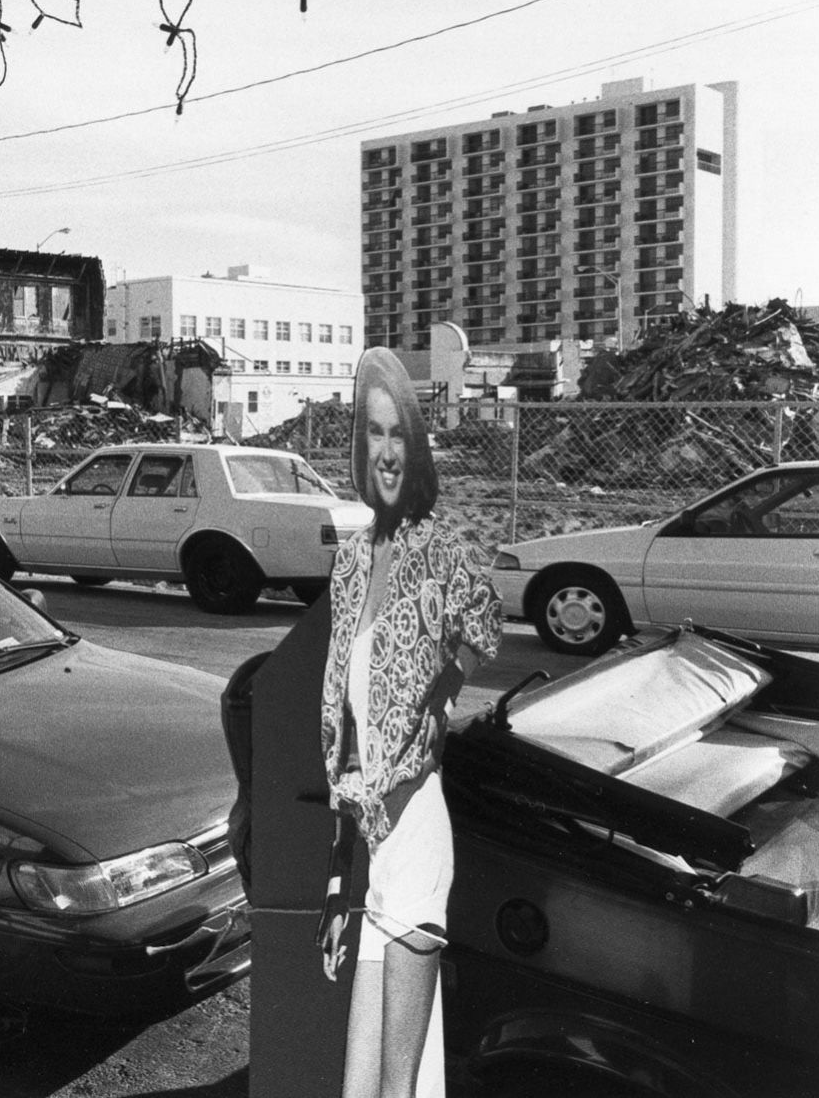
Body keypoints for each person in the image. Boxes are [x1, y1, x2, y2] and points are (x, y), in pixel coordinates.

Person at [316, 347, 500, 1098]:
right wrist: (335, 883)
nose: (385, 451)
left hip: (416, 838)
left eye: (398, 435)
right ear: (358, 446)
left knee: (396, 1090)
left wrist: (442, 696)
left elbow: (488, 631)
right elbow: (346, 737)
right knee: (357, 1089)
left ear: (413, 447)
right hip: (371, 855)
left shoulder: (440, 550)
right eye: (372, 433)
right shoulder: (353, 562)